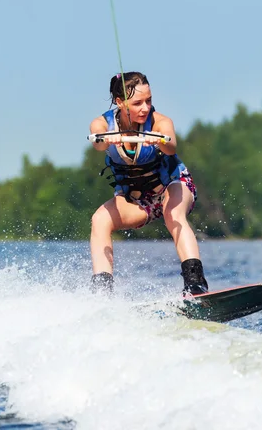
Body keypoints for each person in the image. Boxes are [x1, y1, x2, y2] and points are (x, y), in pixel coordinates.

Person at [89, 71, 209, 296]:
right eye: (137, 103)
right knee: (100, 219)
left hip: (174, 186)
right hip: (139, 201)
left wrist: (160, 140)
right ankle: (102, 294)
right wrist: (107, 138)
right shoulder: (103, 122)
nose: (145, 107)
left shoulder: (160, 122)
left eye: (149, 101)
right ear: (119, 102)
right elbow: (97, 140)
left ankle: (195, 284)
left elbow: (171, 145)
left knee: (172, 212)